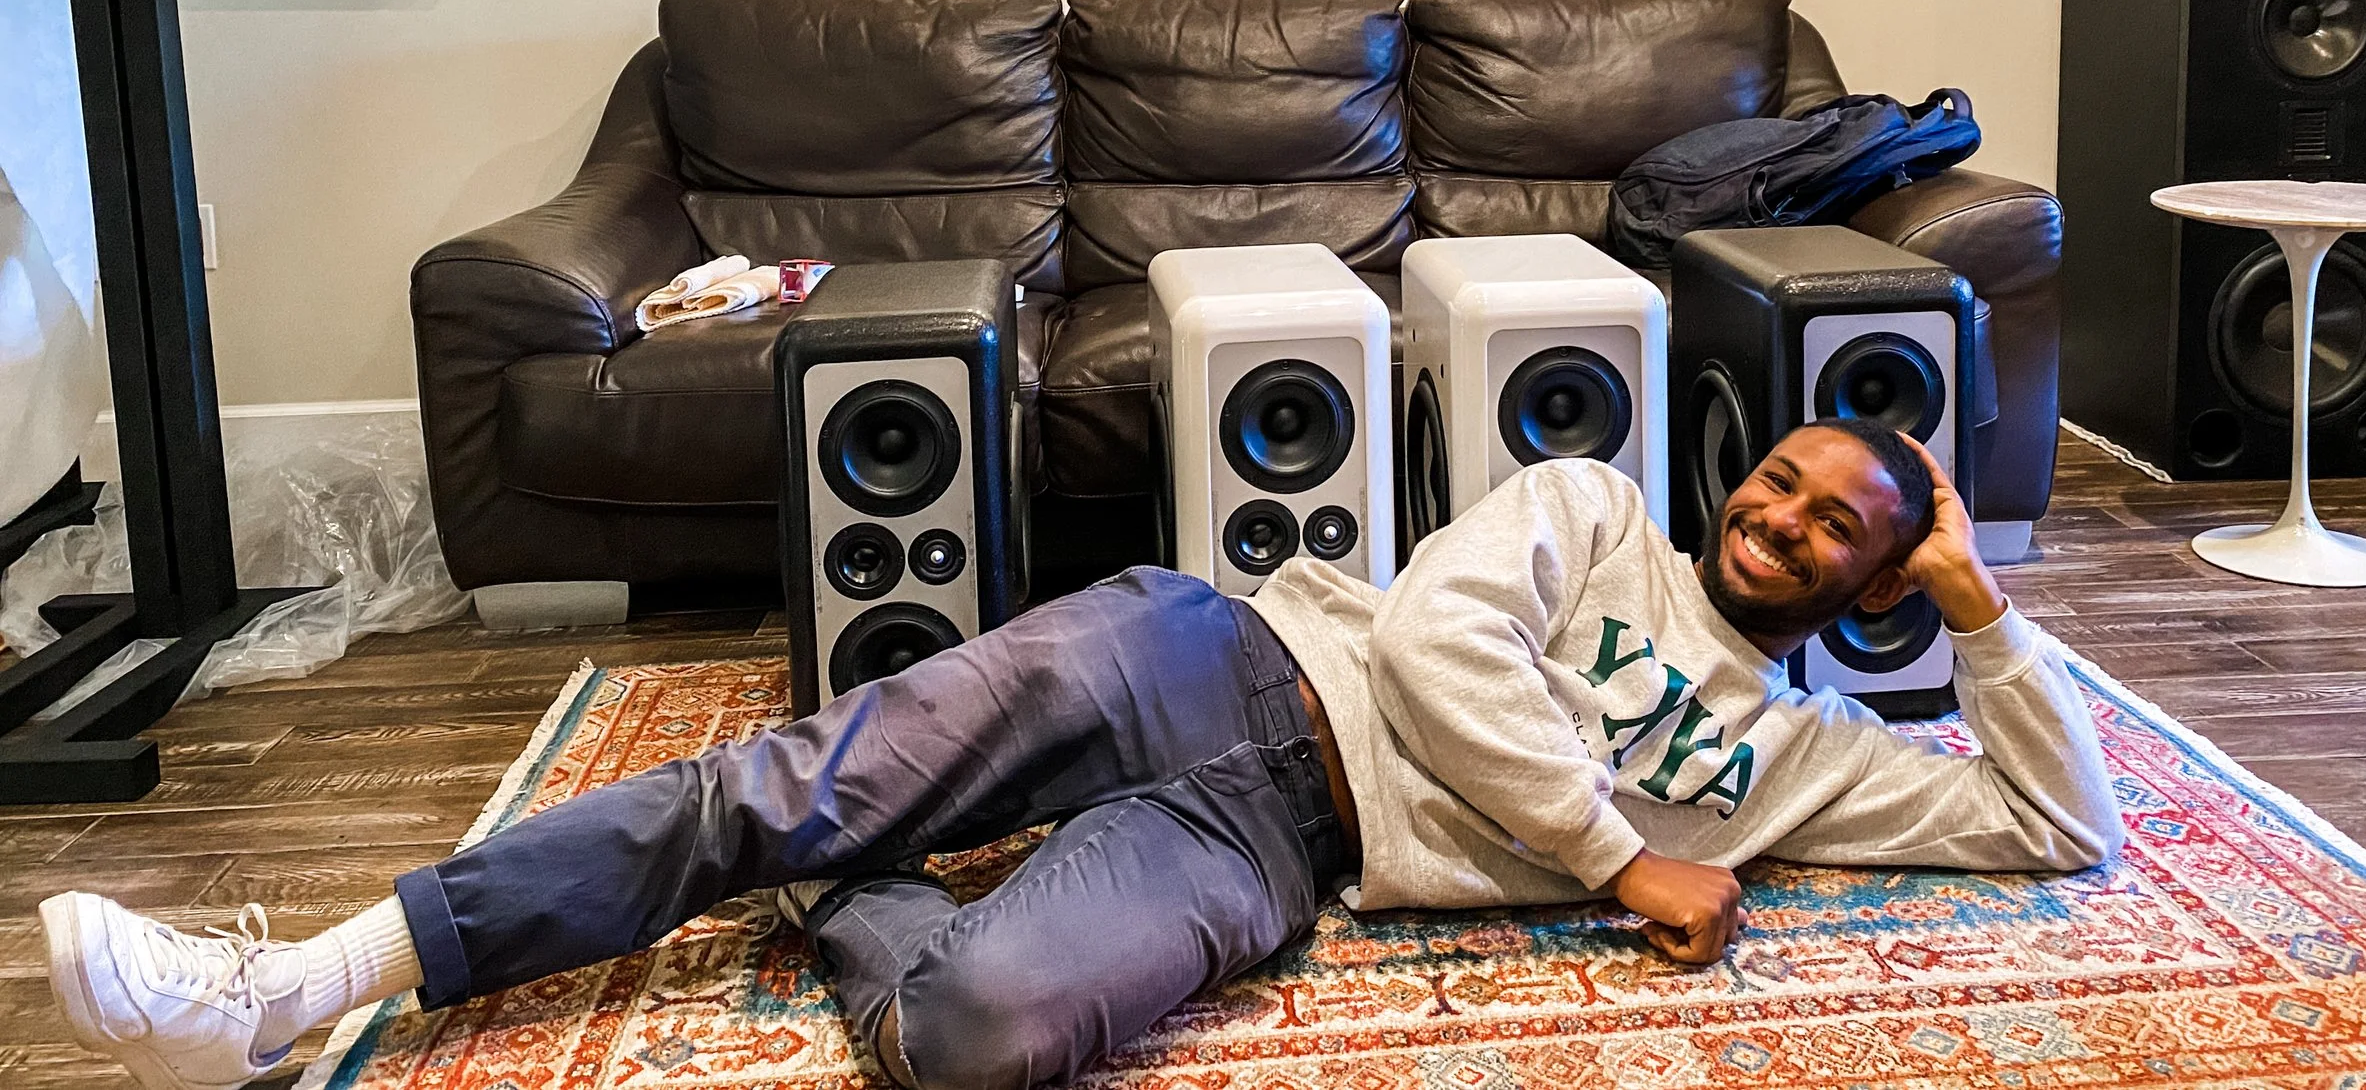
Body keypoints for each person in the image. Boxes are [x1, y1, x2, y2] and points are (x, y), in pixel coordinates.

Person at [44, 419, 2120, 1090]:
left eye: (1837, 525)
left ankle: (854, 883)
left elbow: (2058, 824)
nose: (1778, 518)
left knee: (981, 1034)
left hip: (1283, 850)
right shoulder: (1588, 508)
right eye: (1777, 480)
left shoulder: (1811, 757)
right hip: (1209, 662)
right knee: (781, 781)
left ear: (1871, 573)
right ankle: (293, 982)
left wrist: (1976, 602)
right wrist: (1612, 851)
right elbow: (1438, 643)